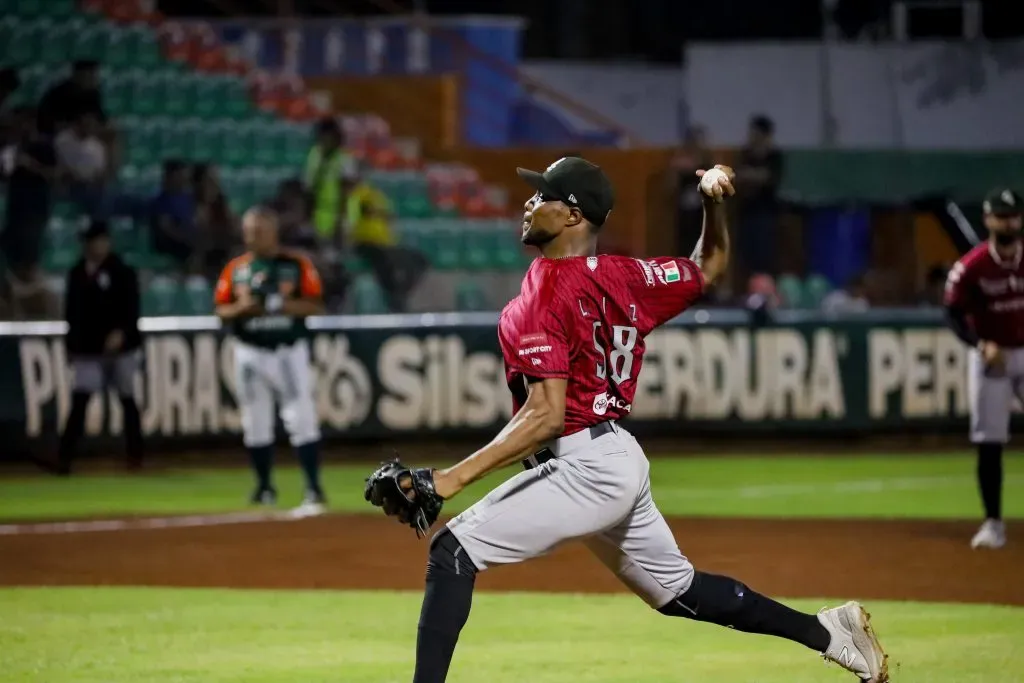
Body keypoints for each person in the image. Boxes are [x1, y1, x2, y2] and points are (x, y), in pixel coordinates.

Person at [363, 157, 889, 683]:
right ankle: (829, 633)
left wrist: (450, 479)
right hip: (614, 456)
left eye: (541, 196)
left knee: (451, 552)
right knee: (678, 592)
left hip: (581, 465)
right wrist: (712, 204)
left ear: (572, 216)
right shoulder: (626, 275)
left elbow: (545, 415)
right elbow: (707, 266)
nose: (528, 203)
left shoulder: (546, 293)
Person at [213, 206, 327, 515]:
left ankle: (313, 488)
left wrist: (281, 304)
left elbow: (316, 306)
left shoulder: (296, 264)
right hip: (249, 350)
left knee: (301, 417)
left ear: (273, 232)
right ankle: (264, 488)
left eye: (259, 231)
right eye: (249, 231)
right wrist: (242, 309)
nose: (252, 236)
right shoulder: (236, 269)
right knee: (255, 421)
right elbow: (221, 310)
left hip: (288, 350)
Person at [944, 186, 1024, 550]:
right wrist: (979, 343)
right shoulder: (972, 266)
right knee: (989, 440)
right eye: (1001, 214)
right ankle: (993, 523)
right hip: (992, 357)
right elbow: (952, 312)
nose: (1007, 221)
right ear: (988, 218)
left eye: (1012, 214)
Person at [51, 220, 143, 475]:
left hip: (121, 349)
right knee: (80, 400)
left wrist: (122, 332)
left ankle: (136, 456)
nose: (94, 246)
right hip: (88, 349)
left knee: (127, 400)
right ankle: (64, 459)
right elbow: (71, 314)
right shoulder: (77, 272)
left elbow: (131, 308)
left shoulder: (122, 270)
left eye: (98, 240)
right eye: (89, 241)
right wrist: (71, 346)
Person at [343, 163, 427, 312]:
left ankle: (401, 292)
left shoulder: (376, 195)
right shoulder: (354, 198)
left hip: (386, 243)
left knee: (419, 260)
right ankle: (395, 298)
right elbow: (351, 222)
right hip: (365, 243)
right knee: (384, 262)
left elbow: (390, 216)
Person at [1, 107, 59, 320]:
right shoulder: (11, 148)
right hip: (14, 213)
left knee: (28, 265)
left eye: (24, 121)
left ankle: (42, 310)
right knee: (12, 265)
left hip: (35, 211)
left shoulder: (44, 147)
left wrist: (30, 165)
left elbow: (56, 175)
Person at [735, 114, 784, 279]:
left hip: (766, 212)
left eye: (755, 133)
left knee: (765, 254)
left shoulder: (774, 156)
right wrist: (752, 176)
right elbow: (738, 176)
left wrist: (752, 176)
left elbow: (769, 178)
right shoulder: (746, 154)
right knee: (747, 254)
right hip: (747, 211)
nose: (752, 136)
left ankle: (765, 288)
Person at [303, 117, 353, 245]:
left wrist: (341, 223)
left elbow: (347, 194)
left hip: (336, 221)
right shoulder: (314, 156)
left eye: (330, 137)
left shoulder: (344, 160)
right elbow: (308, 189)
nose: (326, 141)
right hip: (316, 220)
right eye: (323, 136)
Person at [669, 125, 713, 255]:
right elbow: (670, 188)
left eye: (699, 141)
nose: (696, 145)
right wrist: (676, 169)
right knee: (685, 248)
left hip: (703, 214)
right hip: (685, 214)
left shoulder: (709, 162)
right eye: (693, 141)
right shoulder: (679, 163)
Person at [37, 60, 107, 136]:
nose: (94, 78)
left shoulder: (94, 94)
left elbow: (100, 119)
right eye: (90, 74)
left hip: (85, 136)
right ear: (79, 75)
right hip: (60, 135)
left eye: (95, 74)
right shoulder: (59, 93)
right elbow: (47, 121)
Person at [192, 163, 237, 278]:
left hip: (222, 248)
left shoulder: (221, 201)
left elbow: (233, 224)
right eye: (210, 179)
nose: (215, 183)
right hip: (198, 251)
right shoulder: (191, 201)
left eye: (216, 179)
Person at [149, 159, 197, 266]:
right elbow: (165, 227)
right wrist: (187, 238)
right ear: (169, 176)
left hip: (188, 238)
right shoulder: (160, 200)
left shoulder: (187, 197)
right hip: (169, 243)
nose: (183, 179)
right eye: (180, 175)